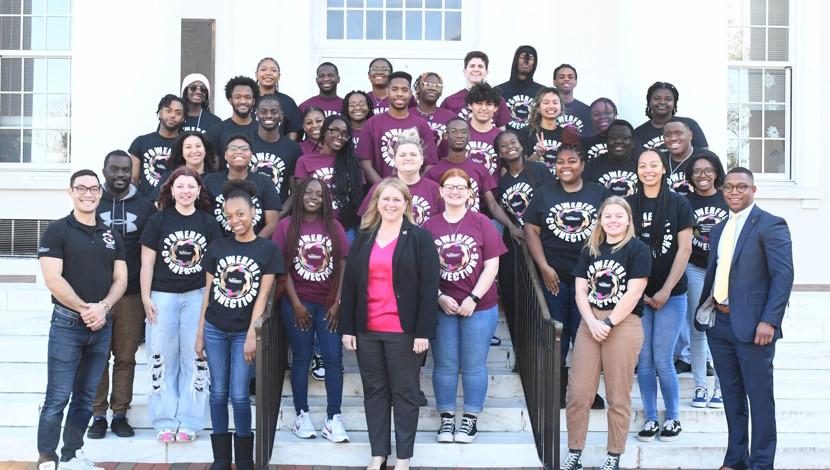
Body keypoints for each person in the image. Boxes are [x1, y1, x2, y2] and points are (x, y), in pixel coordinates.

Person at [339, 178, 440, 470]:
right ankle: (378, 455)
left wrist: (423, 332)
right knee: (375, 392)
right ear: (377, 203)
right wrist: (348, 327)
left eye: (397, 199)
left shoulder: (419, 238)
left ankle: (403, 459)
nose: (391, 204)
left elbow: (428, 286)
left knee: (405, 394)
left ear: (406, 204)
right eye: (386, 199)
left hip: (404, 333)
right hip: (367, 330)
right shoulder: (364, 236)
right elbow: (351, 286)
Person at [698, 167, 793, 470]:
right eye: (729, 187)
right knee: (732, 398)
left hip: (755, 328)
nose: (734, 192)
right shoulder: (718, 228)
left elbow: (783, 276)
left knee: (760, 399)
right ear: (722, 190)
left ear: (754, 189)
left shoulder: (770, 225)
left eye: (741, 187)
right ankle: (736, 458)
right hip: (721, 324)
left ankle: (762, 463)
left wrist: (770, 321)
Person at [36, 169, 127, 470]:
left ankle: (72, 454)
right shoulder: (57, 230)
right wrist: (85, 309)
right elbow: (53, 279)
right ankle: (47, 457)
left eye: (93, 189)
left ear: (101, 193)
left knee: (86, 398)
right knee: (57, 397)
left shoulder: (112, 234)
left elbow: (121, 279)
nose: (88, 194)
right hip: (67, 324)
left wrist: (103, 307)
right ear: (71, 192)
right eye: (81, 188)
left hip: (101, 327)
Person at [195, 180, 283, 470]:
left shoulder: (268, 250)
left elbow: (262, 298)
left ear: (254, 212)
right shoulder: (218, 247)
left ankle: (244, 457)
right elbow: (208, 293)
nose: (236, 221)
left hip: (243, 332)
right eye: (230, 216)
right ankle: (221, 457)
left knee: (239, 394)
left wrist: (252, 335)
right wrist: (199, 335)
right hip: (215, 328)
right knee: (218, 393)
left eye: (241, 214)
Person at [560, 197, 651, 470]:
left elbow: (635, 292)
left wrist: (609, 323)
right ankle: (574, 451)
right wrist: (591, 321)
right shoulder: (591, 249)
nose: (612, 220)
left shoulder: (638, 249)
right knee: (578, 393)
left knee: (617, 395)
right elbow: (580, 291)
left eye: (618, 216)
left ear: (628, 220)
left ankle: (614, 455)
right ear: (600, 220)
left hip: (622, 324)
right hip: (590, 325)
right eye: (607, 216)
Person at [523, 129, 610, 409]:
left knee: (585, 337)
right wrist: (544, 268)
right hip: (556, 279)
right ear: (554, 165)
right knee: (557, 336)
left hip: (591, 279)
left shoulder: (598, 192)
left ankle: (586, 392)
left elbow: (611, 230)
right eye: (560, 162)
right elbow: (531, 231)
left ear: (582, 165)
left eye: (572, 161)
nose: (566, 166)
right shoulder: (544, 193)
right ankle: (556, 389)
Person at [424, 168, 507, 444]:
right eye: (450, 186)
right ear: (441, 191)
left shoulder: (482, 222)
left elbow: (492, 264)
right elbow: (423, 268)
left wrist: (472, 298)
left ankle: (469, 421)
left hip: (480, 306)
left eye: (461, 187)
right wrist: (438, 296)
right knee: (445, 365)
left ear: (470, 193)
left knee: (473, 365)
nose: (455, 191)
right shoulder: (429, 226)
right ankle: (447, 421)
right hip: (442, 305)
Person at [139, 167, 221, 442]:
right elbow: (147, 263)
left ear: (199, 191)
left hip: (197, 294)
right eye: (180, 186)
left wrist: (209, 302)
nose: (186, 191)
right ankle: (164, 420)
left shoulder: (209, 223)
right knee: (161, 356)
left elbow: (214, 269)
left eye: (191, 186)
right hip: (163, 295)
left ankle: (190, 421)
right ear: (171, 190)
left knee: (195, 357)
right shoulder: (158, 221)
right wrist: (145, 297)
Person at [272, 177, 349, 442]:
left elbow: (342, 265)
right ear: (299, 195)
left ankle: (333, 417)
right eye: (308, 192)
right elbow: (283, 267)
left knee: (333, 359)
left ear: (325, 198)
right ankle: (301, 415)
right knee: (302, 359)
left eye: (319, 193)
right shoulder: (286, 226)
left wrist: (338, 303)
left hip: (328, 305)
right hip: (298, 304)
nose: (313, 196)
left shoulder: (334, 226)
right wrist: (295, 304)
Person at [627, 149, 694, 443]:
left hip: (672, 294)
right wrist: (638, 293)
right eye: (643, 166)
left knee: (664, 358)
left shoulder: (679, 203)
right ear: (637, 171)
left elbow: (685, 249)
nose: (648, 170)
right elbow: (624, 250)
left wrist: (666, 289)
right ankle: (652, 417)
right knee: (644, 359)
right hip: (637, 295)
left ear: (663, 169)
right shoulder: (629, 204)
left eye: (654, 164)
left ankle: (674, 417)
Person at [88, 151, 156, 439]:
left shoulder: (145, 206)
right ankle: (98, 414)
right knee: (97, 356)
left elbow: (150, 250)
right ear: (103, 169)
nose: (119, 174)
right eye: (113, 169)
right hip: (95, 294)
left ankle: (120, 414)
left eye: (125, 170)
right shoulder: (92, 200)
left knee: (125, 356)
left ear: (132, 172)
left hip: (129, 295)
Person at [424, 119, 523, 241]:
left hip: (474, 228)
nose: (459, 135)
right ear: (445, 136)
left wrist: (511, 226)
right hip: (445, 231)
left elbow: (491, 204)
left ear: (469, 136)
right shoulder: (434, 172)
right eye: (454, 131)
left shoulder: (479, 168)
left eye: (463, 131)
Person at [681, 151, 727, 408]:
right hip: (695, 269)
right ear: (690, 175)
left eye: (708, 170)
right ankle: (700, 385)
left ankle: (720, 388)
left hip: (724, 272)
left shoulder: (727, 199)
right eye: (697, 171)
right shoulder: (684, 202)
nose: (703, 175)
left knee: (720, 330)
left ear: (716, 172)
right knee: (698, 327)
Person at [356, 71, 438, 183]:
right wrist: (384, 187)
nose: (400, 94)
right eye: (395, 89)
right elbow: (365, 162)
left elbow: (430, 164)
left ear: (410, 94)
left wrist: (414, 186)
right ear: (387, 92)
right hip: (382, 194)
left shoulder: (421, 125)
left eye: (404, 90)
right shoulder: (372, 123)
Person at [294, 115, 366, 241]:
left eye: (345, 134)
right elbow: (301, 197)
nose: (340, 136)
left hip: (346, 229)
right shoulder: (305, 161)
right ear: (324, 131)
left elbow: (358, 198)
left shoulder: (352, 164)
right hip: (314, 229)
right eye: (335, 131)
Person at [358, 129, 442, 226]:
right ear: (394, 160)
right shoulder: (381, 187)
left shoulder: (435, 189)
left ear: (422, 160)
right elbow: (366, 222)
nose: (408, 158)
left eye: (413, 154)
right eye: (402, 155)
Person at [203, 135, 281, 238]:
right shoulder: (210, 181)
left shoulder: (265, 182)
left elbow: (272, 223)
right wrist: (219, 246)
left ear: (251, 155)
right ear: (225, 155)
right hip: (219, 247)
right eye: (233, 148)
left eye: (244, 149)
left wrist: (252, 244)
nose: (239, 151)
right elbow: (203, 219)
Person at [129, 94, 186, 201]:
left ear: (183, 118)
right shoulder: (141, 142)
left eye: (178, 113)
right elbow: (133, 180)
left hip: (175, 205)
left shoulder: (185, 145)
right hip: (144, 204)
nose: (173, 115)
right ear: (160, 113)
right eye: (168, 111)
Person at [249, 94, 303, 206]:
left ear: (281, 115)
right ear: (257, 114)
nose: (269, 115)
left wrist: (277, 217)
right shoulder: (245, 143)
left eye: (274, 112)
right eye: (263, 111)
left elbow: (295, 192)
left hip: (279, 215)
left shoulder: (293, 148)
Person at [439, 51, 511, 127]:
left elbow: (502, 132)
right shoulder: (450, 102)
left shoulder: (498, 100)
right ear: (464, 71)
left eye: (480, 66)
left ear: (486, 72)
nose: (476, 69)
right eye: (472, 66)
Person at [495, 129, 549, 228]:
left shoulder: (539, 169)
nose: (510, 146)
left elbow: (553, 199)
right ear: (500, 154)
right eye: (504, 146)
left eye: (513, 142)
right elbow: (508, 215)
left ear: (521, 146)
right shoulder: (503, 182)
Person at [633, 81, 708, 152]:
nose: (662, 102)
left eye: (668, 99)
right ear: (649, 102)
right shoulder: (638, 132)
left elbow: (705, 154)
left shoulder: (689, 124)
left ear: (674, 103)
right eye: (657, 98)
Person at [206, 76, 259, 169]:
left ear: (254, 101)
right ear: (230, 100)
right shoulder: (216, 132)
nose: (243, 101)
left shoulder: (262, 131)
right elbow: (213, 170)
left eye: (247, 97)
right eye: (238, 97)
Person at [583, 119, 639, 198]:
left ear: (633, 142)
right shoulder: (592, 166)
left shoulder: (641, 164)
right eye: (613, 138)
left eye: (624, 138)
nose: (618, 141)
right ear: (606, 141)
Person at [496, 45, 544, 132]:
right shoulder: (498, 91)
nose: (526, 62)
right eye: (522, 57)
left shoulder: (542, 92)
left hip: (532, 142)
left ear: (535, 63)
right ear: (516, 60)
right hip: (507, 142)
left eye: (530, 58)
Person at [255, 57, 303, 140]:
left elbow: (293, 133)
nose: (268, 73)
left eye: (273, 70)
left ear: (279, 76)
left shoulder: (288, 102)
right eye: (263, 69)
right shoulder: (249, 100)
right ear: (256, 74)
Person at [465, 83, 503, 186]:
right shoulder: (459, 133)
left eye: (489, 104)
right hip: (461, 195)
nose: (484, 108)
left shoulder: (502, 137)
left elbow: (505, 170)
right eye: (479, 103)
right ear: (470, 105)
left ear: (496, 108)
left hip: (493, 196)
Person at [412, 72, 456, 158]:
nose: (432, 88)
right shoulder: (408, 114)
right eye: (427, 84)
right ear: (418, 88)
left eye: (437, 86)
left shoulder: (450, 117)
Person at [524, 87, 565, 170]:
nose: (551, 106)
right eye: (546, 103)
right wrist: (537, 154)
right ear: (538, 108)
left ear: (561, 108)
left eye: (555, 102)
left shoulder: (567, 134)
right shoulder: (526, 132)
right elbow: (520, 169)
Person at [552, 64, 593, 135]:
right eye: (561, 77)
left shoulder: (586, 110)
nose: (566, 79)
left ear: (575, 82)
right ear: (554, 82)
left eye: (570, 77)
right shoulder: (547, 109)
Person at [663, 117, 701, 195]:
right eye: (668, 134)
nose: (673, 138)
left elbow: (719, 189)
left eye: (679, 133)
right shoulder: (659, 159)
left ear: (690, 135)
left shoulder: (706, 158)